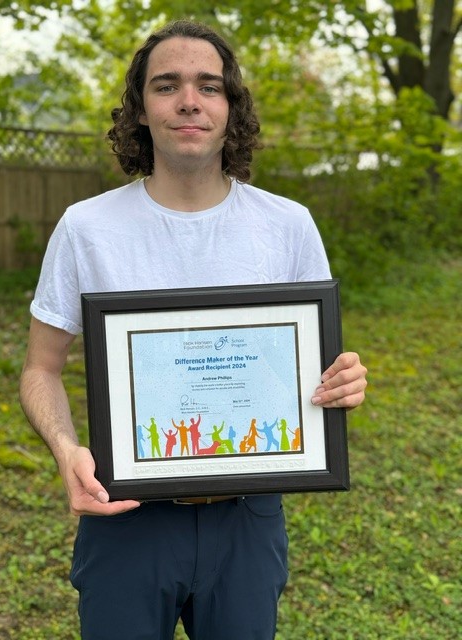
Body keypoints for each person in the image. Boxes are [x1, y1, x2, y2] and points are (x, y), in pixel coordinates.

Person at [19, 19, 367, 640]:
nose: (189, 101)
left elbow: (317, 366)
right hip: (125, 518)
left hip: (248, 520)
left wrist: (343, 383)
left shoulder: (288, 226)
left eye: (209, 86)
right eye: (167, 85)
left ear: (231, 108)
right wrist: (67, 450)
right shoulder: (86, 227)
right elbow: (41, 368)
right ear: (140, 109)